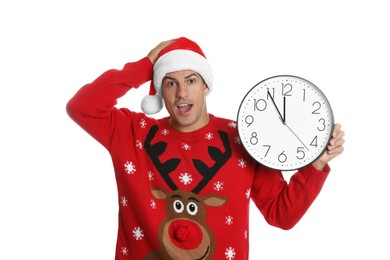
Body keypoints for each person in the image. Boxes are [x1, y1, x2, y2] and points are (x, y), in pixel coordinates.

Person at [66, 37, 345, 260]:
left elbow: (281, 214)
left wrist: (316, 164)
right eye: (170, 83)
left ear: (206, 87)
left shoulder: (243, 137)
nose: (182, 93)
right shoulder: (132, 133)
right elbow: (82, 107)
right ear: (160, 91)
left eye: (191, 81)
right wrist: (145, 65)